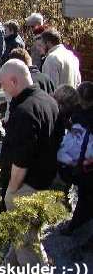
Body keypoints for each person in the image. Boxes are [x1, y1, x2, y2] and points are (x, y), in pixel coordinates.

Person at [0, 59, 61, 211]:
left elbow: (22, 159)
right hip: (46, 179)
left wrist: (12, 190)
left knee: (24, 234)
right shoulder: (50, 100)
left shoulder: (24, 111)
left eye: (3, 84)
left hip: (26, 187)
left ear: (13, 81)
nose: (2, 88)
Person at [59, 82, 93, 234]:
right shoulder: (78, 111)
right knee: (85, 194)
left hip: (84, 162)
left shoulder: (78, 112)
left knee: (85, 195)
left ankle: (75, 225)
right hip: (82, 161)